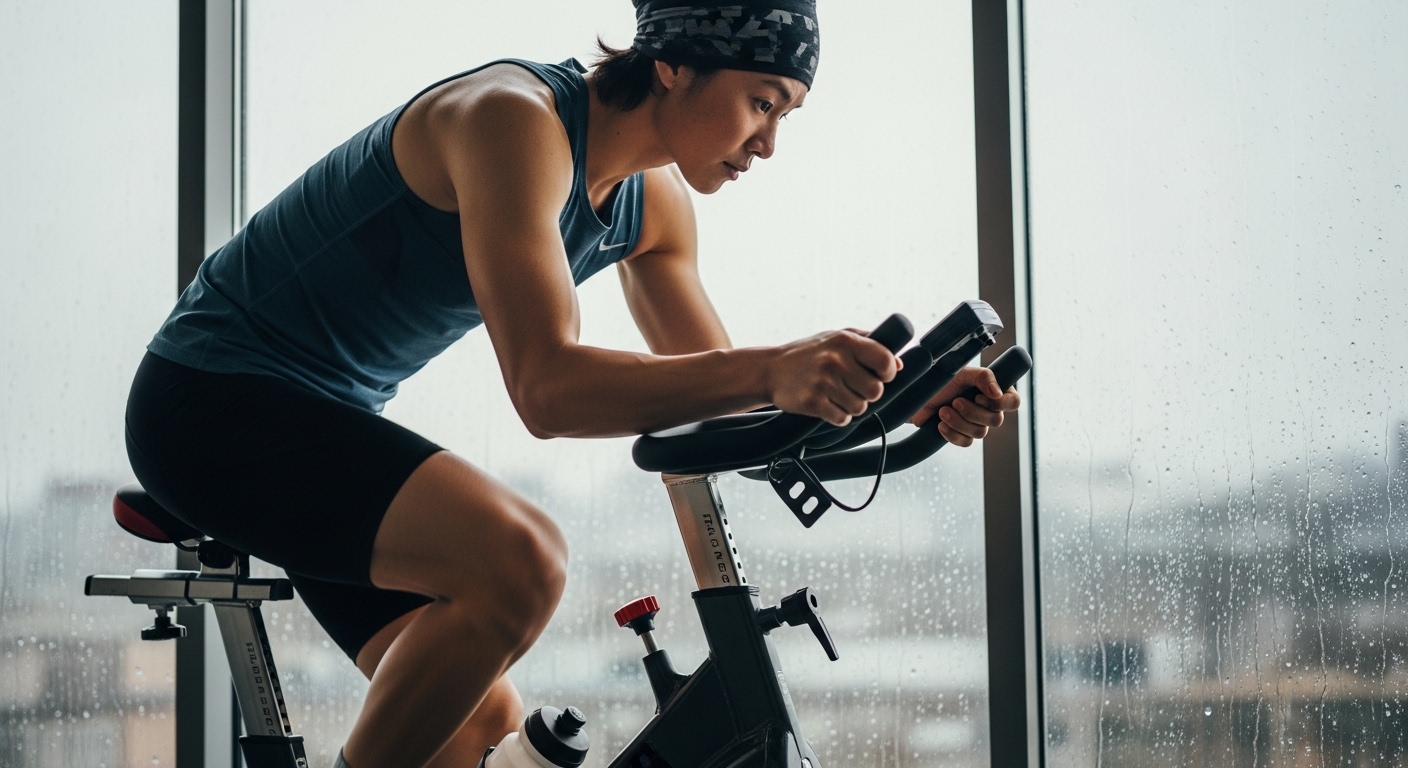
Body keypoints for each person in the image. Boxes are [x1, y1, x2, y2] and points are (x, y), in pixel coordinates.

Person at [123, 1, 1021, 766]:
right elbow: (547, 389)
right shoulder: (513, 122)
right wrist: (779, 366)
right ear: (671, 64)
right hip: (210, 405)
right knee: (518, 566)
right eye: (762, 102)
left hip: (317, 425)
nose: (770, 143)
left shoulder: (651, 204)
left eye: (786, 114)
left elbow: (734, 400)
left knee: (478, 724)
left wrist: (907, 400)